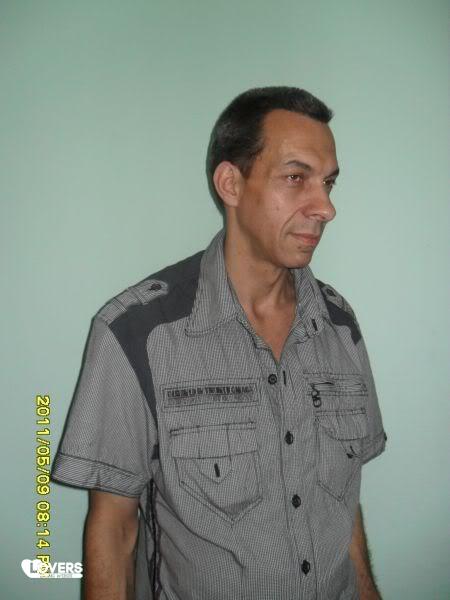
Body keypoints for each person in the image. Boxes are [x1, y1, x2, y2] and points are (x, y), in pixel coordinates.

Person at [51, 86, 387, 600]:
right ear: (231, 183)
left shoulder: (340, 326)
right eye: (296, 178)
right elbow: (113, 529)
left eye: (328, 183)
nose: (325, 207)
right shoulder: (137, 333)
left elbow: (343, 506)